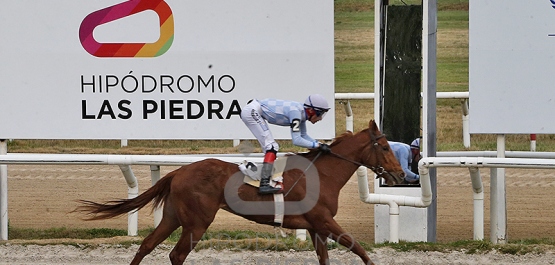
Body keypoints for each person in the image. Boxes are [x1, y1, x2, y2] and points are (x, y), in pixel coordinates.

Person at [241, 94, 332, 194]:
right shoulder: (296, 112)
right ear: (311, 110)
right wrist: (318, 146)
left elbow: (303, 135)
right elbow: (297, 140)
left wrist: (319, 144)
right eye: (320, 114)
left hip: (254, 109)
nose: (320, 118)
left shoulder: (301, 112)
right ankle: (264, 184)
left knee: (271, 146)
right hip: (252, 111)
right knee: (271, 146)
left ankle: (265, 179)